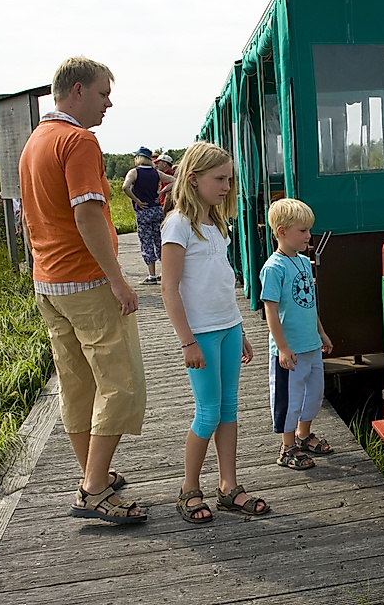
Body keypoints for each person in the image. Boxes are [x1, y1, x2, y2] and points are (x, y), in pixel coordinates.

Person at [18, 56, 146, 524]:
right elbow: (88, 213)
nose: (108, 103)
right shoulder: (78, 141)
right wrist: (117, 276)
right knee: (122, 383)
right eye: (102, 93)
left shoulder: (35, 142)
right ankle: (93, 490)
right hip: (87, 281)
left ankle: (96, 476)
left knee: (78, 385)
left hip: (49, 282)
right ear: (76, 91)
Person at [161, 141, 270, 522]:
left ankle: (228, 486)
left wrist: (239, 327)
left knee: (228, 410)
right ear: (193, 179)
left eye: (229, 179)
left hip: (227, 327)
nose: (227, 186)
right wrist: (187, 340)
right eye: (219, 179)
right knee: (207, 413)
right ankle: (189, 488)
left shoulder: (216, 223)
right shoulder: (178, 225)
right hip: (202, 334)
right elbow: (169, 288)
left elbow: (222, 282)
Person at [259, 198, 334, 470]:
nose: (309, 236)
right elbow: (270, 309)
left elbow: (309, 302)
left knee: (313, 394)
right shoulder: (274, 268)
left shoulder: (303, 261)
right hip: (290, 350)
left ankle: (303, 435)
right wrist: (282, 347)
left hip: (310, 344)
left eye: (308, 230)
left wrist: (321, 333)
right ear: (282, 231)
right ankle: (287, 446)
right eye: (302, 231)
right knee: (289, 398)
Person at [122, 147, 173, 285]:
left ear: (138, 158)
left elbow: (125, 187)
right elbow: (174, 180)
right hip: (157, 210)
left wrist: (136, 200)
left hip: (143, 210)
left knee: (146, 242)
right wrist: (161, 192)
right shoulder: (155, 173)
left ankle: (151, 275)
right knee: (159, 240)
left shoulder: (134, 172)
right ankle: (165, 272)